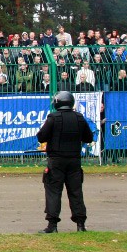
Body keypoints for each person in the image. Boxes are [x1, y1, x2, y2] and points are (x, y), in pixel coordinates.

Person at [36, 91, 94, 233]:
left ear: (57, 103)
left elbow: (41, 136)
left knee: (53, 192)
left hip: (56, 161)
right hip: (74, 161)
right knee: (76, 191)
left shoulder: (53, 118)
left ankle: (52, 225)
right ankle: (80, 225)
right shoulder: (79, 118)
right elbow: (88, 137)